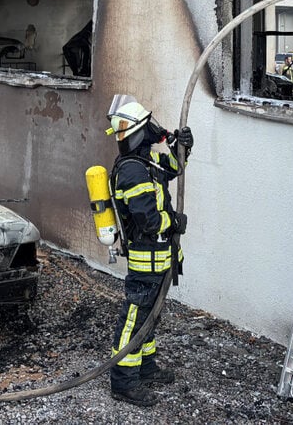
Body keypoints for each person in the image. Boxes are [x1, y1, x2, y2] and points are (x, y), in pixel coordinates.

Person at [105, 95, 193, 407]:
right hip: (146, 259)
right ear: (140, 130)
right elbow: (149, 220)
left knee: (149, 318)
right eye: (149, 125)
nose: (154, 129)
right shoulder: (132, 170)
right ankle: (123, 381)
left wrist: (180, 146)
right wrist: (175, 221)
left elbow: (174, 169)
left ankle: (145, 368)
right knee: (135, 318)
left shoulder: (146, 161)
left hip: (159, 258)